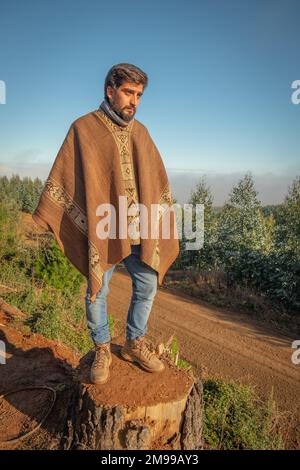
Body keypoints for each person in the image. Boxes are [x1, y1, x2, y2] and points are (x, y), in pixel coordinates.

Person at [32, 63, 179, 386]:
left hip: (139, 228)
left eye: (139, 95)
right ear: (110, 91)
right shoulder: (83, 129)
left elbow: (155, 180)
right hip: (103, 227)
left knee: (147, 285)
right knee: (98, 289)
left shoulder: (141, 132)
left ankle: (133, 342)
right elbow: (66, 178)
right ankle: (101, 348)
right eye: (128, 92)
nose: (134, 101)